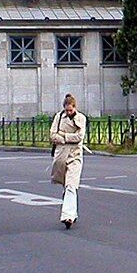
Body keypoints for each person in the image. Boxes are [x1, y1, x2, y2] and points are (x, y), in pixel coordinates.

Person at [50, 93, 86, 229]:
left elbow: (79, 136)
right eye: (66, 110)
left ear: (75, 108)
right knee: (66, 185)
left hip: (75, 155)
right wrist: (65, 138)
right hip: (60, 156)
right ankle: (73, 212)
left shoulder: (81, 118)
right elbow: (52, 135)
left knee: (71, 184)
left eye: (71, 110)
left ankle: (68, 216)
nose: (68, 112)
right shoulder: (58, 117)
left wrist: (63, 136)